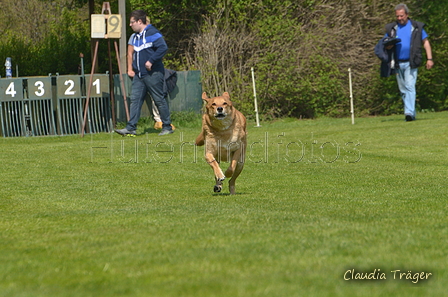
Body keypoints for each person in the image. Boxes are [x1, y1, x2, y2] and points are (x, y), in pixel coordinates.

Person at [115, 10, 174, 136]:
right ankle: (131, 128)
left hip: (153, 74)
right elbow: (132, 54)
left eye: (132, 22)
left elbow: (163, 47)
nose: (130, 25)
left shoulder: (153, 33)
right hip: (139, 75)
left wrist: (151, 61)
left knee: (159, 100)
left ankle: (167, 126)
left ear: (139, 21)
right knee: (135, 100)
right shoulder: (135, 37)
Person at [384, 3, 434, 122]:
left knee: (410, 86)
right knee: (403, 89)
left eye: (401, 16)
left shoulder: (416, 27)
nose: (399, 18)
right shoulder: (392, 28)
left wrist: (430, 59)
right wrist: (388, 45)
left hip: (411, 62)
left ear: (407, 14)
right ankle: (411, 112)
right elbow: (385, 43)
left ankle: (409, 112)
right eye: (397, 16)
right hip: (397, 63)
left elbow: (425, 43)